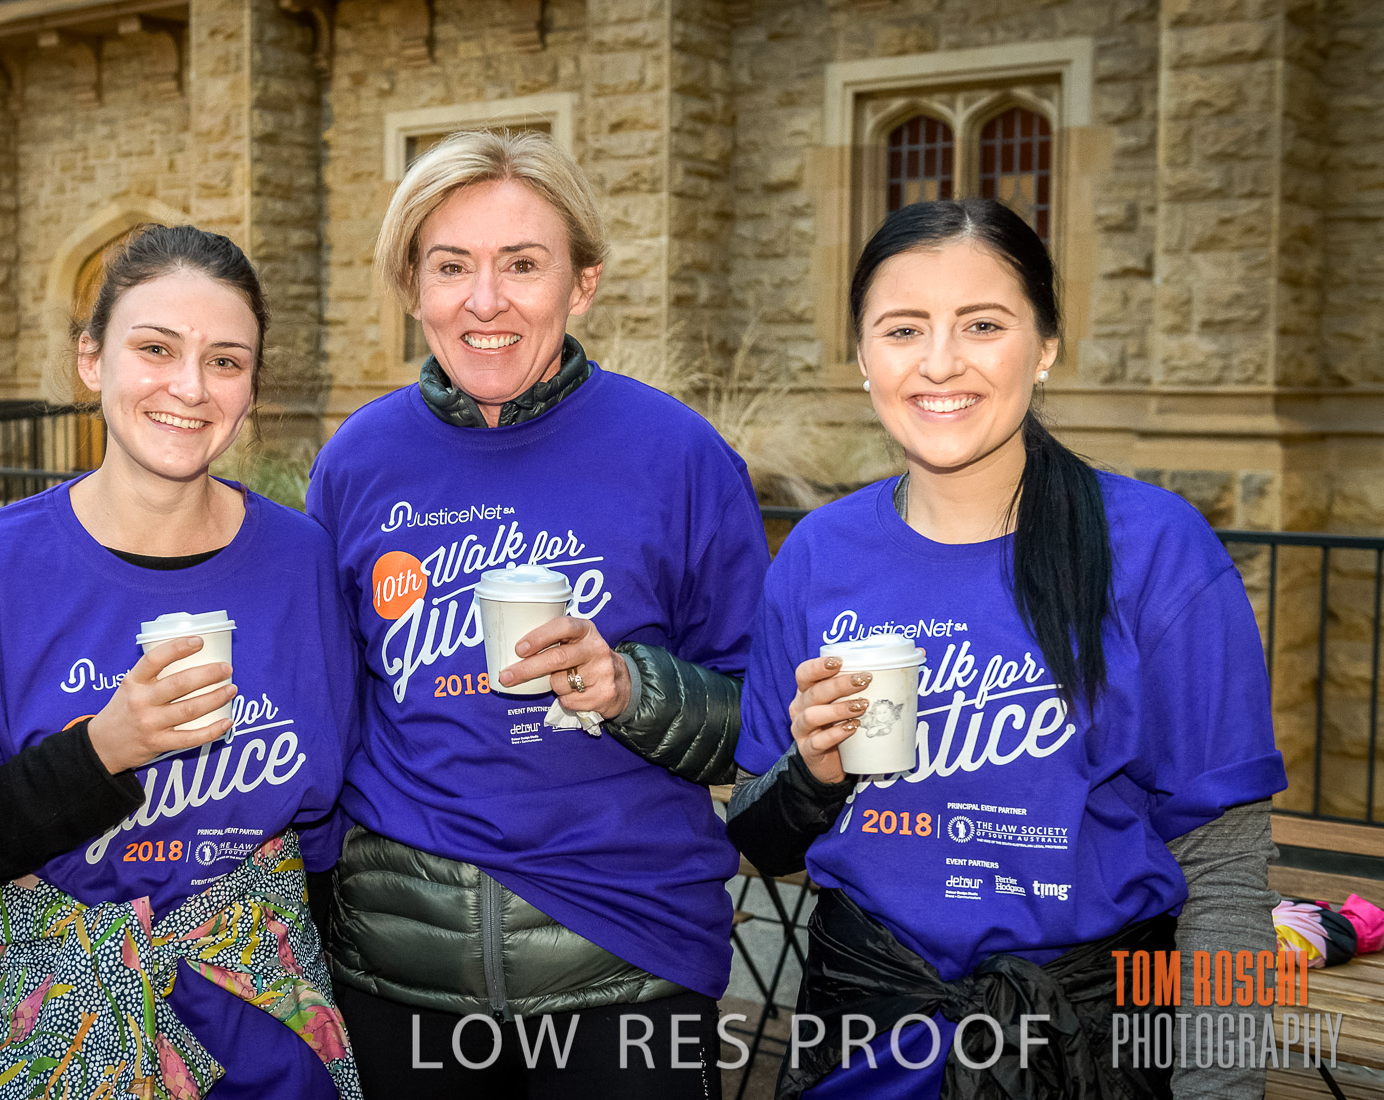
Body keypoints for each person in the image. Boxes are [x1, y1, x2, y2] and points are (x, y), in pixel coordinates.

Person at [727, 199, 1288, 1100]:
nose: (940, 362)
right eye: (903, 329)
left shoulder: (1157, 549)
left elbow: (1225, 871)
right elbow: (762, 842)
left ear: (1046, 346)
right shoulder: (819, 554)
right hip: (865, 1039)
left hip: (1090, 1048)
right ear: (864, 357)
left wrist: (1220, 1091)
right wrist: (812, 773)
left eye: (983, 325)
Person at [306, 129, 770, 1098]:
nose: (485, 301)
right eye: (451, 266)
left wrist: (630, 687)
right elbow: (328, 717)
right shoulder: (356, 463)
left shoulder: (678, 454)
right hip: (400, 974)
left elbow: (758, 725)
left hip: (627, 966)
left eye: (523, 264)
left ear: (582, 284)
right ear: (414, 287)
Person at [0, 224, 361, 1100]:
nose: (190, 387)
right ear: (92, 360)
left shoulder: (303, 561)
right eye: (155, 348)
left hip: (262, 1021)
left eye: (225, 361)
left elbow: (327, 833)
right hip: (51, 1026)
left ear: (250, 387)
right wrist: (102, 751)